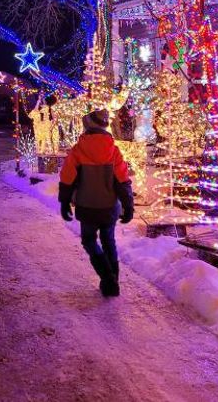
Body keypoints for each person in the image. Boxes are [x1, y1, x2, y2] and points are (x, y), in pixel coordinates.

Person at [58, 108, 134, 296]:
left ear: (87, 127)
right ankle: (113, 281)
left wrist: (64, 202)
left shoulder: (78, 150)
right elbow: (123, 180)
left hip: (87, 206)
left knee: (89, 241)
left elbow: (67, 178)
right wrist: (128, 205)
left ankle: (107, 278)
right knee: (109, 241)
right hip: (109, 207)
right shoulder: (113, 151)